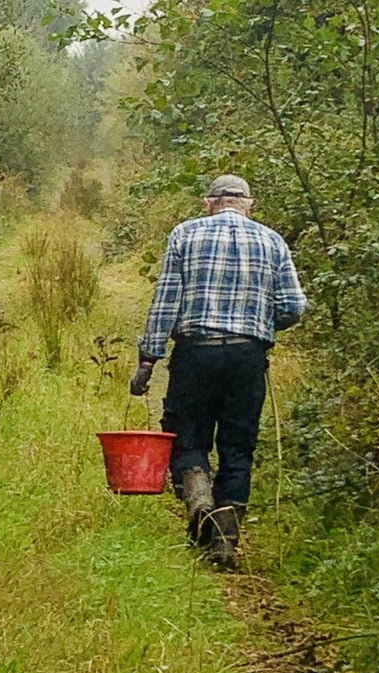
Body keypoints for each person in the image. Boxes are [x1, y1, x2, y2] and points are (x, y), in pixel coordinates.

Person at [129, 174, 308, 569]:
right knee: (237, 445)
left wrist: (148, 359)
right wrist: (258, 325)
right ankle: (225, 542)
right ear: (249, 203)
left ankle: (200, 504)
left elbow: (166, 301)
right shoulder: (272, 241)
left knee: (187, 435)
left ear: (208, 202)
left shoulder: (185, 235)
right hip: (247, 357)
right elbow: (294, 306)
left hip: (195, 354)